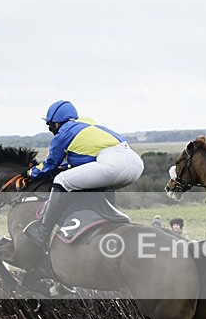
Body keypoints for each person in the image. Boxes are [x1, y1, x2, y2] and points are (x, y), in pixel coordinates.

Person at [24, 100, 144, 248]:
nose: (51, 129)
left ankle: (43, 232)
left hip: (114, 164)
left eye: (50, 125)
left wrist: (29, 173)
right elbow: (80, 160)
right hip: (135, 162)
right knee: (98, 181)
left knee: (61, 179)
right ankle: (108, 218)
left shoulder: (63, 134)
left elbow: (49, 165)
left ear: (55, 123)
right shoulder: (87, 124)